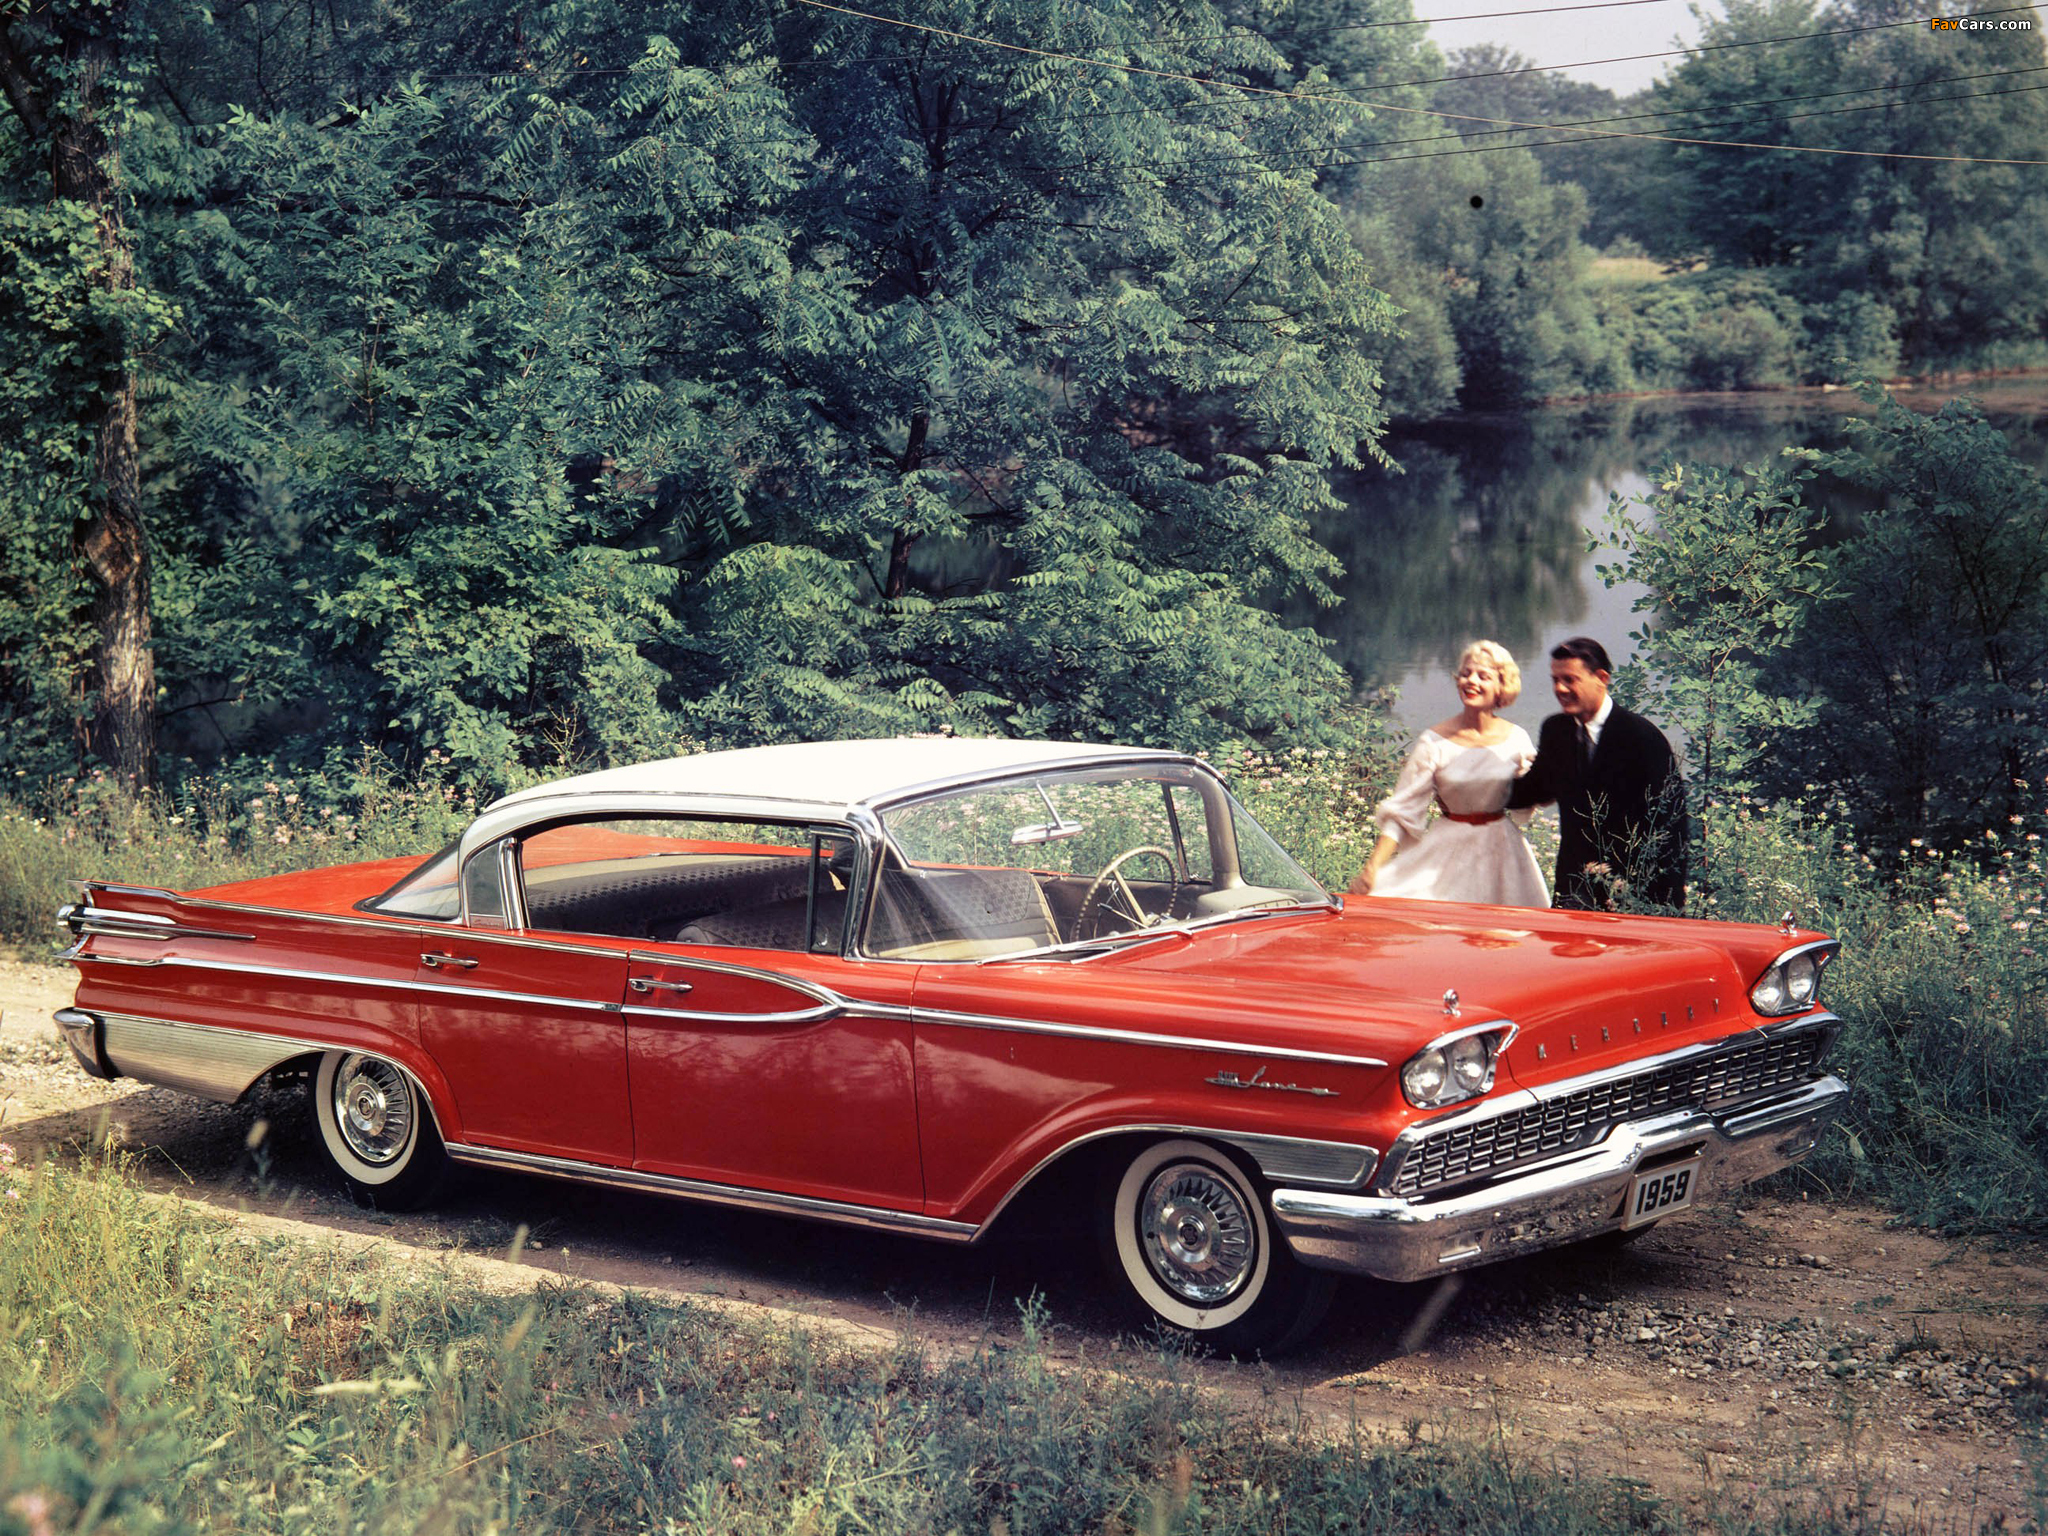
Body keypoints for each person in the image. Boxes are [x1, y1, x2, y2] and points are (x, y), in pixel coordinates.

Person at [1349, 641, 1549, 907]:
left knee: (1508, 935)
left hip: (1503, 854)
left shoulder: (1516, 739)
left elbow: (1535, 795)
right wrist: (1372, 867)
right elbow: (1402, 812)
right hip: (1448, 850)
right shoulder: (1433, 741)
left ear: (1502, 686)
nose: (1471, 681)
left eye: (1483, 676)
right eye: (1465, 674)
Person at [1507, 636, 1688, 912]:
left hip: (1633, 894)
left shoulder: (1641, 737)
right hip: (1573, 889)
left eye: (1570, 679)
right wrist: (1471, 780)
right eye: (1555, 679)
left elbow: (1671, 828)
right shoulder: (1556, 730)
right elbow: (1535, 789)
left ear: (1601, 678)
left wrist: (1663, 908)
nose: (1559, 689)